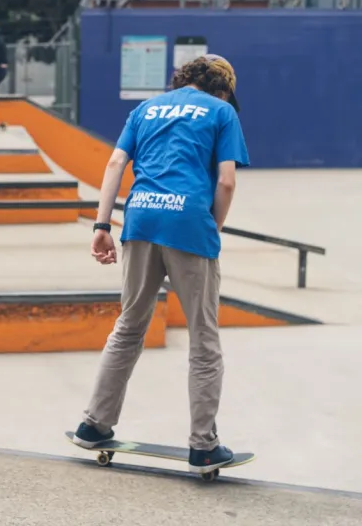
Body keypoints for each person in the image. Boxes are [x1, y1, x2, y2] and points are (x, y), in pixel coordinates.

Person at [72, 54, 250, 476]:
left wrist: (101, 225)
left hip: (140, 219)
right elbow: (226, 181)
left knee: (129, 327)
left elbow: (115, 163)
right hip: (189, 223)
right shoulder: (222, 112)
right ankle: (203, 446)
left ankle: (94, 424)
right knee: (203, 339)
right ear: (222, 88)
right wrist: (212, 228)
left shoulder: (146, 109)